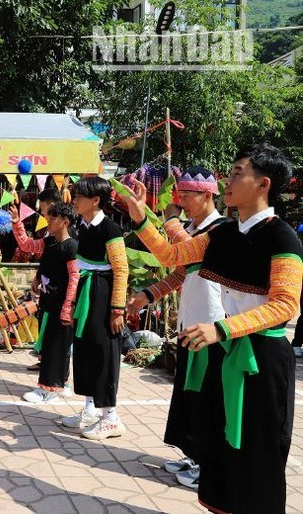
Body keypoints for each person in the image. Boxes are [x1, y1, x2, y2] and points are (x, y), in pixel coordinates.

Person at [125, 144, 303, 514]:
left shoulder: (281, 237)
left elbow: (286, 304)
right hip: (225, 351)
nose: (229, 179)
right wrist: (142, 219)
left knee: (257, 454)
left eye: (238, 172)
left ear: (262, 184)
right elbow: (174, 257)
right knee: (220, 449)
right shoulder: (224, 235)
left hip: (261, 362)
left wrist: (222, 329)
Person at [126, 167, 227, 490]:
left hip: (213, 326)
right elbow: (182, 272)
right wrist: (147, 294)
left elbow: (177, 251)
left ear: (208, 195)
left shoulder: (222, 229)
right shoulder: (193, 228)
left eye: (187, 195)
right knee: (190, 397)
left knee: (209, 398)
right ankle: (196, 455)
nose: (180, 201)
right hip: (190, 324)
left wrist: (164, 220)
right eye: (179, 194)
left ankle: (211, 466)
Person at [60, 176, 129, 440]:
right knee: (86, 351)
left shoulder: (110, 230)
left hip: (102, 293)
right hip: (86, 292)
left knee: (103, 353)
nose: (74, 200)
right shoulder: (83, 225)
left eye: (79, 196)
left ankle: (111, 418)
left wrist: (117, 309)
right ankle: (90, 409)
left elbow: (121, 269)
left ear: (96, 201)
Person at [9, 203, 79, 403]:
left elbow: (74, 277)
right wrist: (17, 223)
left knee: (54, 347)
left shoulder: (72, 246)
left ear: (65, 222)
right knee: (56, 345)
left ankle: (48, 389)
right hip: (49, 302)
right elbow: (26, 245)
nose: (48, 221)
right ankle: (62, 384)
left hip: (61, 304)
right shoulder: (49, 242)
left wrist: (68, 305)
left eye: (52, 218)